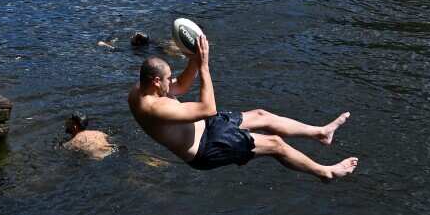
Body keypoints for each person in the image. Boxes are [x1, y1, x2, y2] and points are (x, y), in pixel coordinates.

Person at [127, 35, 357, 181]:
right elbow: (208, 108)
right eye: (168, 79)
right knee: (276, 144)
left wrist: (194, 59)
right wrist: (205, 67)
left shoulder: (143, 86)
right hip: (206, 148)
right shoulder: (153, 108)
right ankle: (325, 172)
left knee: (261, 115)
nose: (171, 81)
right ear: (156, 81)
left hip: (207, 126)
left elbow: (182, 87)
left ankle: (320, 133)